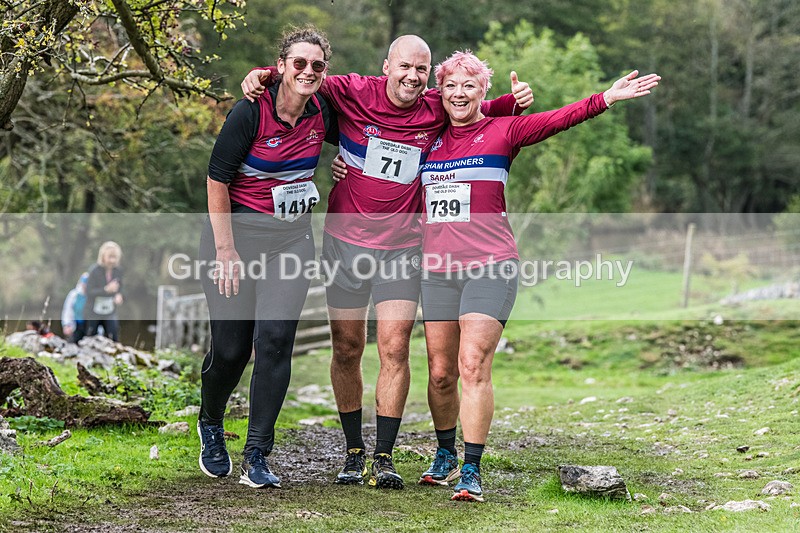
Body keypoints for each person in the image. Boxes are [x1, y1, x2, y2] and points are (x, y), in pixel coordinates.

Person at [241, 35, 534, 489]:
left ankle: (384, 456)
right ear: (386, 66)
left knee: (395, 348)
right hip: (344, 242)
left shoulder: (437, 104)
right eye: (404, 67)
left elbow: (475, 113)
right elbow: (301, 79)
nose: (412, 77)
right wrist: (263, 74)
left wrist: (513, 104)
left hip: (402, 247)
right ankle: (353, 451)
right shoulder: (351, 90)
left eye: (421, 69)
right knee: (347, 348)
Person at [415, 51, 660, 502]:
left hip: (491, 265)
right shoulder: (427, 138)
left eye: (470, 85)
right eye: (450, 86)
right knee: (440, 373)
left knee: (473, 365)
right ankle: (444, 453)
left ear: (483, 91)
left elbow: (560, 119)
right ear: (441, 92)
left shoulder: (504, 130)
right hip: (437, 271)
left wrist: (607, 96)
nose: (459, 94)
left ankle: (471, 468)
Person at [197, 25, 337, 489]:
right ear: (280, 66)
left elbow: (369, 129)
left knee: (275, 341)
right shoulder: (248, 113)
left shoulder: (323, 110)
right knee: (233, 352)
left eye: (317, 65)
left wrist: (345, 163)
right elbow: (217, 180)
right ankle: (211, 422)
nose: (308, 71)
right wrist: (225, 251)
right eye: (299, 63)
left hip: (290, 242)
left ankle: (257, 454)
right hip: (234, 239)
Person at [85, 241, 124, 342]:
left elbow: (121, 288)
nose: (112, 260)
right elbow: (89, 292)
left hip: (110, 310)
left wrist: (119, 295)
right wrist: (105, 290)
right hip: (93, 311)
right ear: (103, 256)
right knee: (90, 338)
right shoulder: (94, 270)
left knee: (113, 335)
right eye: (110, 257)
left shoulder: (118, 271)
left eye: (115, 257)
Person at [61, 272, 88, 343]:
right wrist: (66, 324)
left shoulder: (94, 295)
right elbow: (67, 310)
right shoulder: (74, 295)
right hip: (76, 326)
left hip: (89, 326)